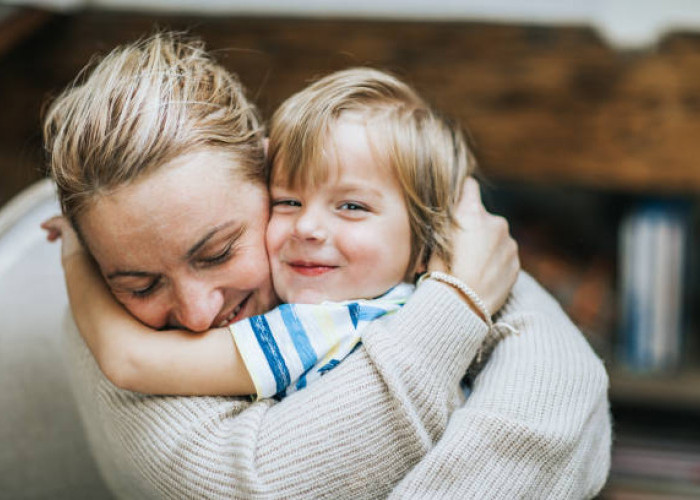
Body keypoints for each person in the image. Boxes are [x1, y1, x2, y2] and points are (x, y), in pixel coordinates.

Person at [43, 33, 610, 498]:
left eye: (217, 252)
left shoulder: (345, 291)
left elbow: (567, 382)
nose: (195, 315)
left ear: (268, 170)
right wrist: (456, 305)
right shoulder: (102, 320)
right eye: (138, 284)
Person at [45, 66, 492, 400]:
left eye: (218, 252)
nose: (199, 319)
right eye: (289, 203)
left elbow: (131, 361)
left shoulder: (323, 324)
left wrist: (73, 254)